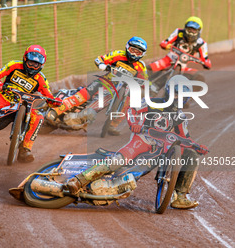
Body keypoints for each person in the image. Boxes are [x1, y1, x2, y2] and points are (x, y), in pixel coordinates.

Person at [65, 75, 209, 209]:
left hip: (159, 152)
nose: (180, 99)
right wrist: (134, 123)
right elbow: (132, 110)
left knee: (190, 156)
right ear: (169, 92)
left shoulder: (181, 117)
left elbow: (185, 138)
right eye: (177, 94)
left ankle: (180, 196)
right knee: (118, 161)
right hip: (141, 140)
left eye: (184, 96)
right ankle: (78, 180)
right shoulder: (152, 102)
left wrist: (197, 146)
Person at [46, 36, 148, 136]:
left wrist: (147, 86)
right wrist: (103, 65)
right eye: (132, 50)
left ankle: (112, 125)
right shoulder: (118, 54)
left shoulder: (141, 66)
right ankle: (55, 110)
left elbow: (145, 80)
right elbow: (100, 59)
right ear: (127, 47)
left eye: (138, 52)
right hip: (106, 82)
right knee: (85, 94)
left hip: (122, 90)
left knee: (128, 101)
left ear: (142, 54)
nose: (134, 54)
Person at [147, 16, 211, 82]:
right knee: (149, 69)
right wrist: (166, 45)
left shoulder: (201, 43)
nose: (191, 33)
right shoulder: (178, 32)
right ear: (185, 28)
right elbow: (165, 42)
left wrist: (205, 63)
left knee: (199, 77)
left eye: (194, 30)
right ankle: (141, 84)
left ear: (199, 31)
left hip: (183, 65)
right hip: (169, 59)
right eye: (189, 29)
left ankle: (185, 89)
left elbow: (206, 59)